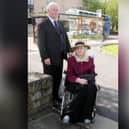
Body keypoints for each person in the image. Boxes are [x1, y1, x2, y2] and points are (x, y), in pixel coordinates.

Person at [38, 2, 71, 108]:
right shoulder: (43, 25)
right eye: (53, 9)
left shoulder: (60, 24)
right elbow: (41, 43)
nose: (56, 12)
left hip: (60, 57)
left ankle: (56, 97)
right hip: (50, 59)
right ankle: (50, 100)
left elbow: (65, 39)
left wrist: (69, 53)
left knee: (58, 78)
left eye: (57, 10)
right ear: (48, 11)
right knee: (50, 80)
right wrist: (45, 57)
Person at [62, 41, 97, 124]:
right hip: (73, 83)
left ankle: (82, 115)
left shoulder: (90, 59)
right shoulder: (71, 60)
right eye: (77, 48)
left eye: (81, 48)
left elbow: (92, 74)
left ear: (85, 49)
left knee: (92, 88)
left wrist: (93, 82)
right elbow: (69, 75)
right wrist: (78, 80)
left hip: (87, 83)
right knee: (84, 89)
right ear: (75, 50)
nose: (79, 50)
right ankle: (72, 115)